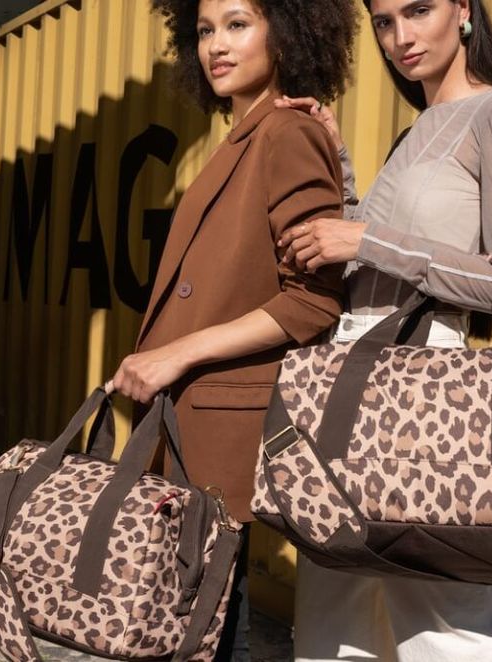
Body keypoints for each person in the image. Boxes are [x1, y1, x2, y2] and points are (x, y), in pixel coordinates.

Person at [274, 0, 492, 659]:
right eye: (384, 21)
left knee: (445, 624)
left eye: (419, 10)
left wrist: (365, 237)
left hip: (428, 383)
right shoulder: (413, 133)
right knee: (335, 613)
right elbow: (368, 265)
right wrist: (336, 162)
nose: (401, 37)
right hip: (351, 377)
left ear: (463, 10)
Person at [107, 0, 357, 659]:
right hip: (193, 421)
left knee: (205, 632)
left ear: (288, 33)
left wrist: (176, 354)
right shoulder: (248, 134)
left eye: (238, 24)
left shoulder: (287, 134)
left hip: (224, 428)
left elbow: (313, 301)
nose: (216, 45)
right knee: (198, 629)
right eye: (205, 30)